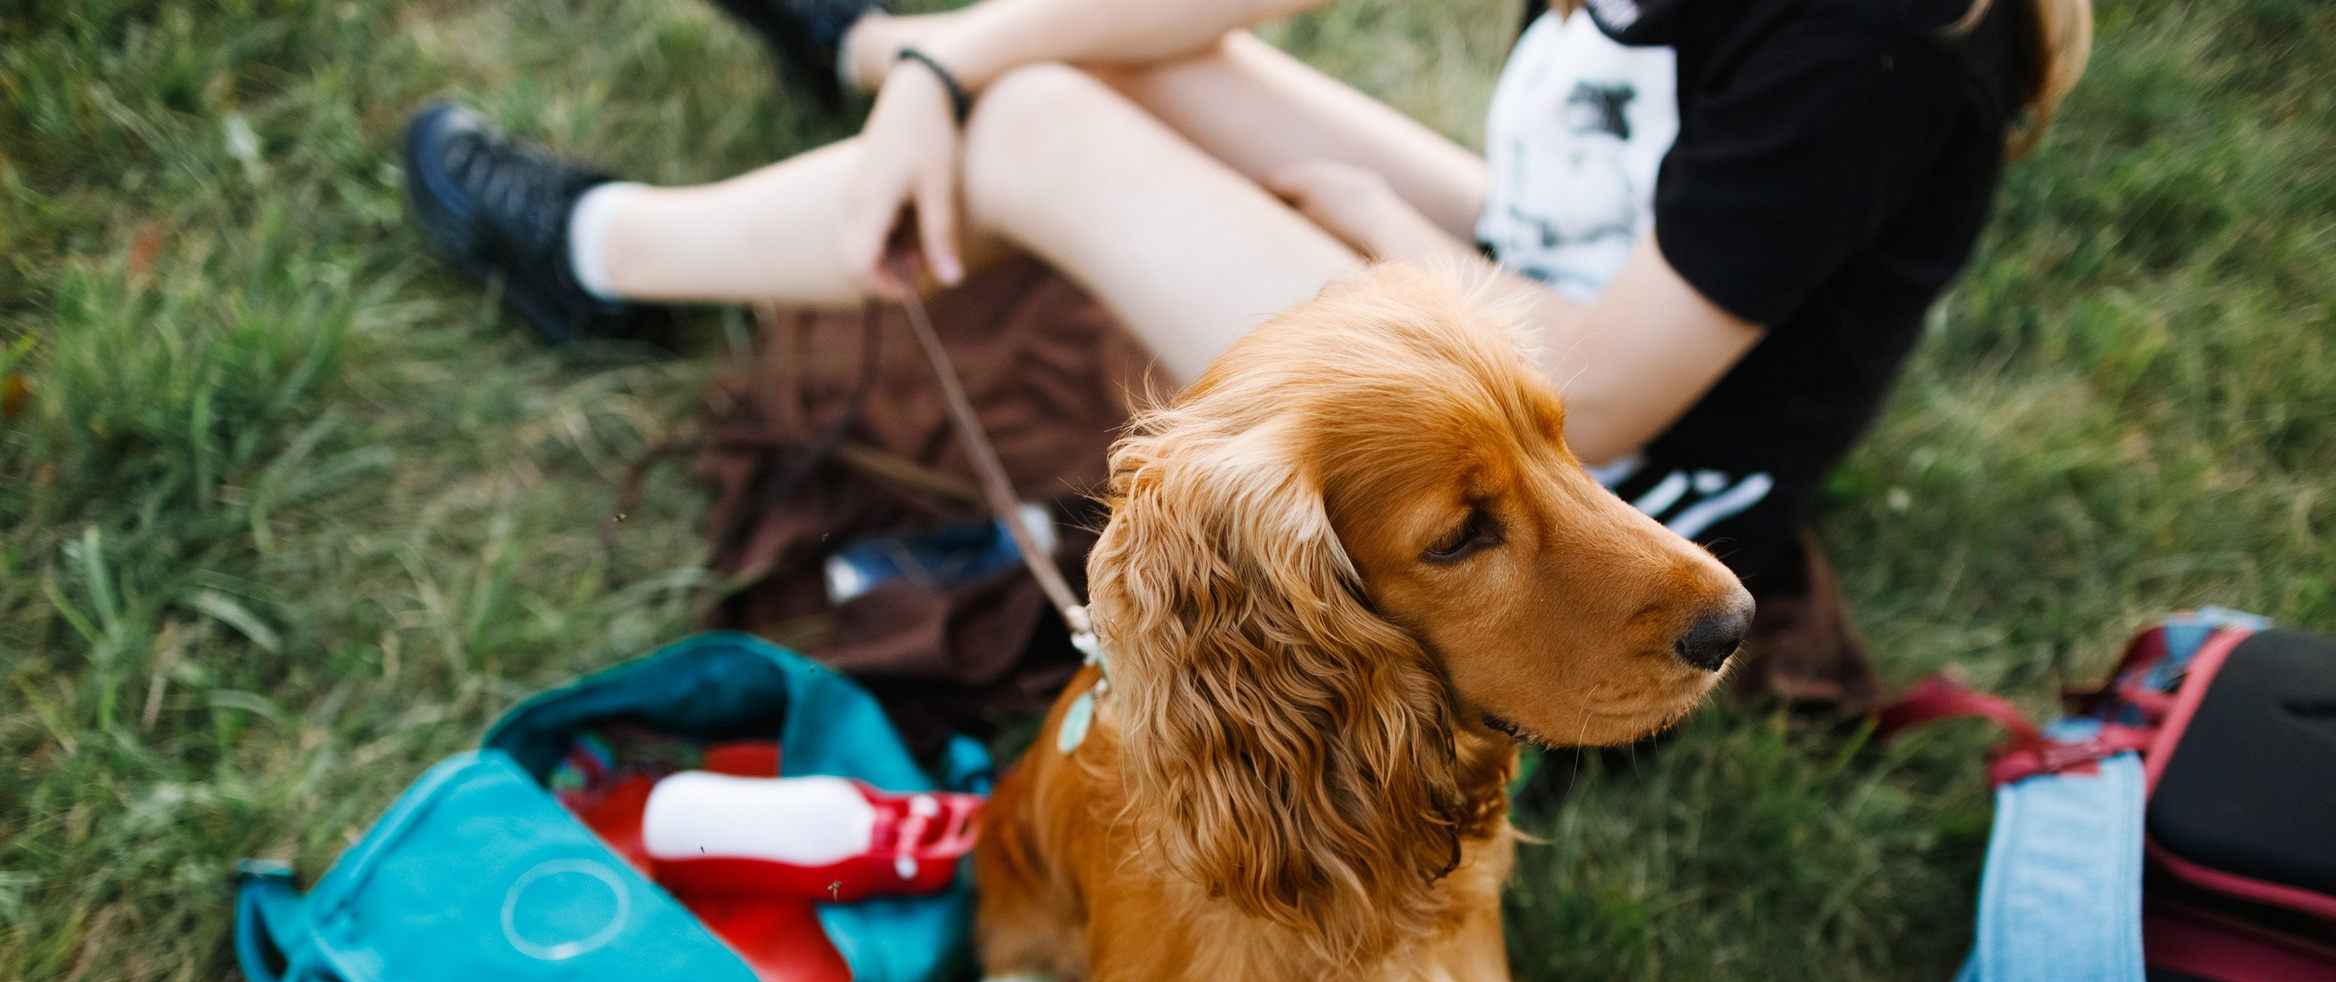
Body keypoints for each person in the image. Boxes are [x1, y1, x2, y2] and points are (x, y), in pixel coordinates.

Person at [404, 0, 2090, 712]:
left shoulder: (1873, 38)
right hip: (1536, 274)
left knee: (1049, 129)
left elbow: (1598, 394)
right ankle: (889, 51)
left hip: (1577, 468)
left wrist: (1375, 230)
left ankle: (599, 253)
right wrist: (944, 62)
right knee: (1088, 61)